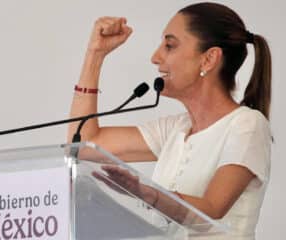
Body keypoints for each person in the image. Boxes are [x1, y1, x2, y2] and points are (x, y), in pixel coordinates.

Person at [67, 2, 272, 239]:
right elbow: (83, 145)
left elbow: (212, 210)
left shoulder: (246, 124)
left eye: (169, 46)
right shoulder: (176, 129)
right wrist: (95, 55)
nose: (155, 57)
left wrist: (147, 193)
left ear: (208, 59)